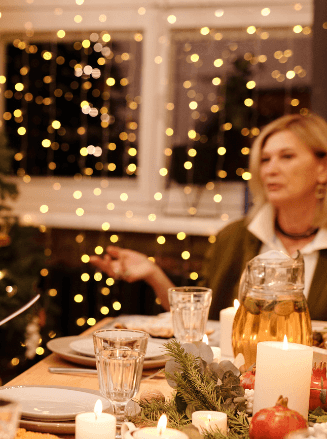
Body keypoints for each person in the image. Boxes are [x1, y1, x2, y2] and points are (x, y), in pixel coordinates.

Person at [91, 114, 327, 319]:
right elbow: (200, 318)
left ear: (322, 168)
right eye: (265, 159)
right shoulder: (234, 237)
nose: (270, 169)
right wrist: (153, 274)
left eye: (287, 157)